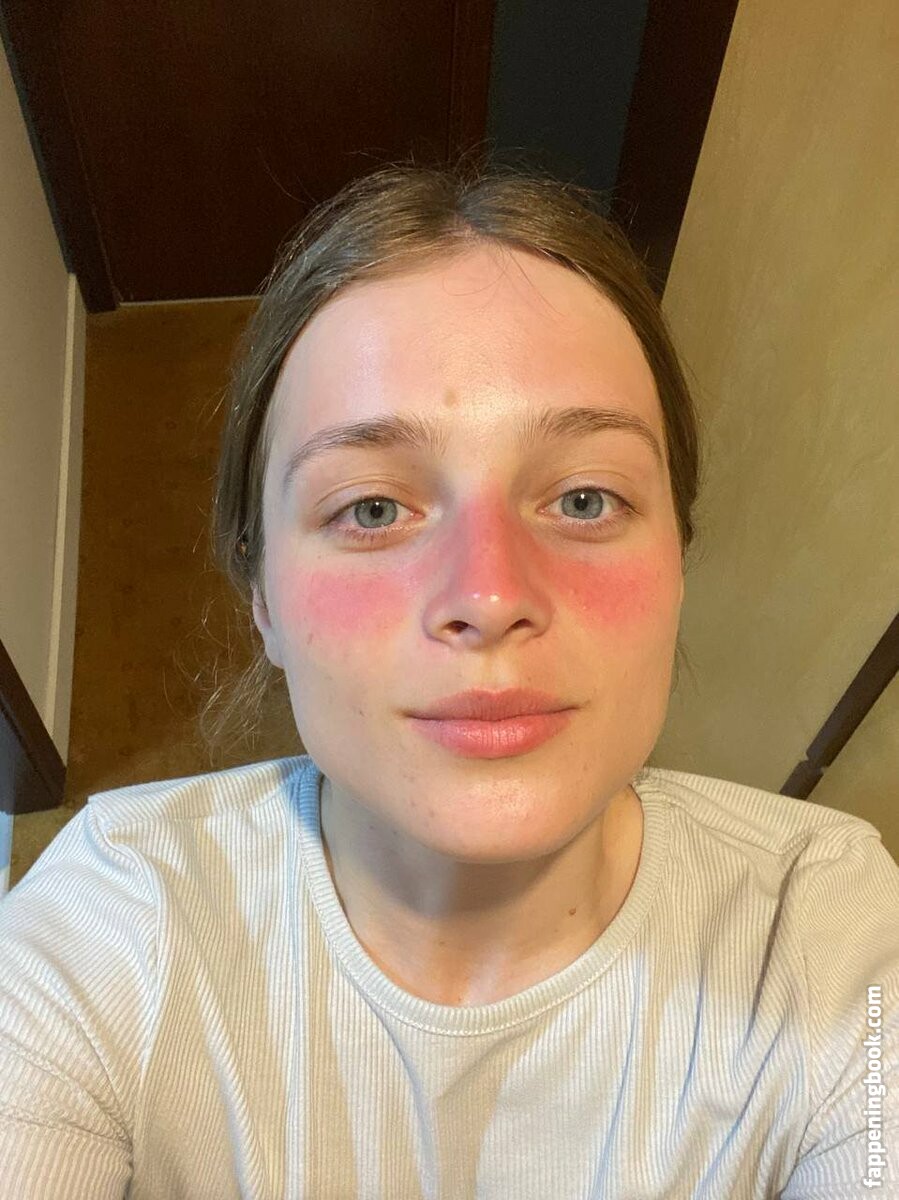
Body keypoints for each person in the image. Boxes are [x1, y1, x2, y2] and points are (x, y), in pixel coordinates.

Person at [0, 161, 896, 1200]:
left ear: (676, 563)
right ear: (262, 597)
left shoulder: (825, 932)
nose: (488, 594)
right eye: (372, 509)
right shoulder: (108, 920)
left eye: (585, 499)